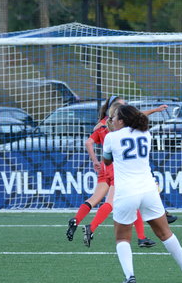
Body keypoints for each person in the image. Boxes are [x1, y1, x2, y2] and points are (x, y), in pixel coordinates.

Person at [102, 103, 182, 283]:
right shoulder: (146, 134)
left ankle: (130, 276)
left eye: (113, 118)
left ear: (121, 121)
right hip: (148, 190)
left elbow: (107, 161)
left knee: (122, 237)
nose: (111, 120)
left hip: (126, 192)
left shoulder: (111, 137)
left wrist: (111, 139)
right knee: (165, 233)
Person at [65, 95, 167, 248]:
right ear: (115, 110)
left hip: (105, 168)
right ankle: (93, 228)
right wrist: (156, 110)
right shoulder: (118, 127)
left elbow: (89, 142)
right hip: (117, 168)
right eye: (121, 105)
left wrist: (95, 161)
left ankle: (76, 220)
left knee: (94, 199)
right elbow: (138, 116)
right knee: (113, 202)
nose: (125, 107)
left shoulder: (102, 124)